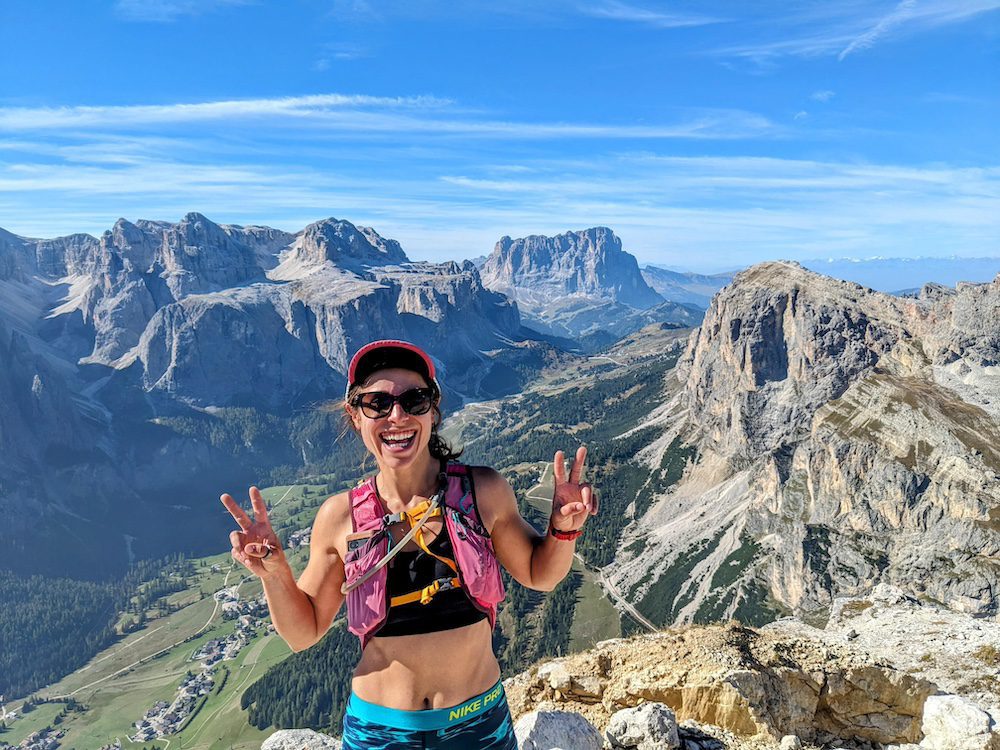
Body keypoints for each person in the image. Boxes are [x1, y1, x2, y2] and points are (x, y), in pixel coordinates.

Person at [221, 339, 596, 749]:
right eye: (377, 403)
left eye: (414, 400)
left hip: (477, 723)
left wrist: (562, 530)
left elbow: (539, 574)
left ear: (433, 411)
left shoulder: (483, 491)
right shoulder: (339, 517)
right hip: (380, 731)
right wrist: (274, 575)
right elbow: (303, 632)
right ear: (355, 415)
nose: (396, 416)